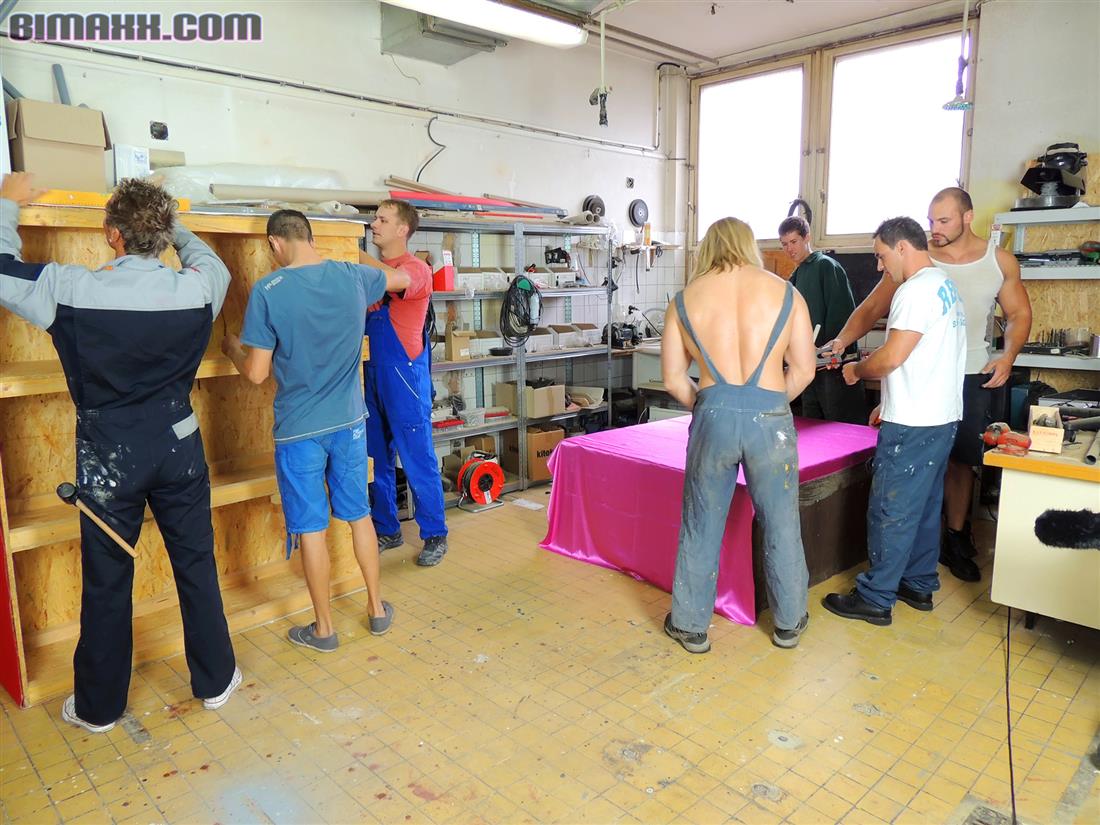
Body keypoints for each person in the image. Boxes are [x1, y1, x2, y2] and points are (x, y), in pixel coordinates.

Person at [0, 173, 240, 732]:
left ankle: (99, 708)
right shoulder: (199, 289)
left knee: (108, 580)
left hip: (109, 456)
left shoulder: (69, 289)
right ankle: (216, 680)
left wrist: (7, 201)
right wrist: (174, 226)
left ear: (112, 235)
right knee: (196, 563)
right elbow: (213, 263)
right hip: (179, 444)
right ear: (162, 235)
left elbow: (2, 268)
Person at [222, 209, 410, 652]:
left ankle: (324, 629)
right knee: (359, 516)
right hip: (349, 423)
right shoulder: (353, 277)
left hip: (299, 429)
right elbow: (402, 280)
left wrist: (232, 348)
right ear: (309, 237)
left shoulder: (268, 290)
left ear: (275, 243)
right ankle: (376, 609)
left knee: (311, 529)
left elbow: (256, 373)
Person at [823, 188, 1031, 582]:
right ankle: (919, 571)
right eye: (931, 220)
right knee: (927, 473)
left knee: (959, 462)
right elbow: (872, 306)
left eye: (944, 221)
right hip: (921, 378)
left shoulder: (996, 260)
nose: (935, 228)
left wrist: (1007, 356)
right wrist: (842, 341)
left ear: (968, 217)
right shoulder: (920, 263)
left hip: (970, 373)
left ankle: (954, 538)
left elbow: (1019, 313)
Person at [662, 217, 816, 653]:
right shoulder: (787, 293)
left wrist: (712, 406)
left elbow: (673, 379)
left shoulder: (685, 299)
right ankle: (789, 623)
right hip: (771, 419)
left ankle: (690, 625)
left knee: (701, 521)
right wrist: (768, 404)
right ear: (749, 245)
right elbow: (804, 370)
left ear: (708, 247)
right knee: (781, 521)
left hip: (713, 415)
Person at [823, 217, 966, 625]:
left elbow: (892, 358)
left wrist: (856, 370)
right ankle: (917, 584)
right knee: (923, 506)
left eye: (881, 256)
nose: (880, 266)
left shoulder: (915, 291)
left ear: (902, 247)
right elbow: (928, 357)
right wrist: (890, 402)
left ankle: (875, 596)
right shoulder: (944, 285)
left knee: (892, 507)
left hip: (914, 424)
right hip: (939, 416)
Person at [362, 199, 448, 567]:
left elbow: (390, 280)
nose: (374, 224)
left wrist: (348, 248)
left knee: (417, 458)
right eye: (374, 218)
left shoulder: (416, 269)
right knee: (375, 458)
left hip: (404, 379)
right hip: (370, 375)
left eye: (382, 219)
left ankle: (435, 533)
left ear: (402, 229)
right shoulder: (369, 271)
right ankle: (387, 528)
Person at [778, 215, 865, 424]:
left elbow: (843, 314)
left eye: (794, 242)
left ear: (807, 237)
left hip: (832, 365)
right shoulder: (797, 275)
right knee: (811, 423)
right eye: (784, 244)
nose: (789, 249)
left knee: (839, 425)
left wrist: (832, 351)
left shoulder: (825, 266)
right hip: (809, 365)